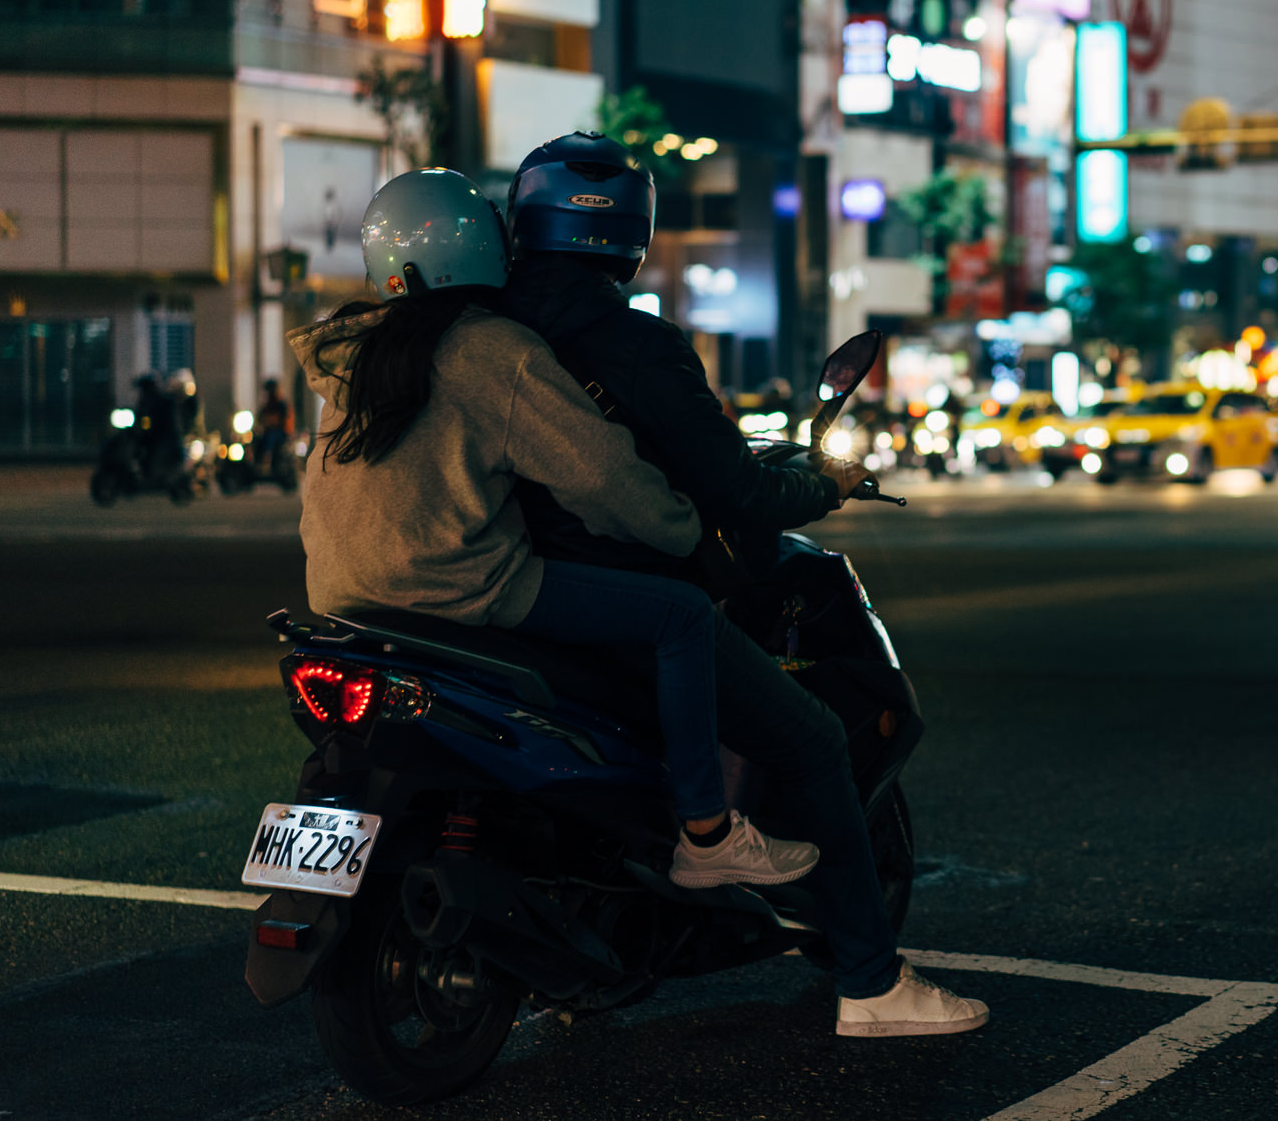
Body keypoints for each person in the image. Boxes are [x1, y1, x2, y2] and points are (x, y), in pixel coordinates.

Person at [501, 132, 988, 1038]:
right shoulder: (639, 345)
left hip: (502, 594)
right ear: (630, 232)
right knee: (809, 737)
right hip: (619, 596)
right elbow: (735, 489)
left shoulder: (484, 332)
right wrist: (826, 482)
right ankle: (872, 983)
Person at [290, 166, 817, 891]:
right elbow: (600, 475)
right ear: (488, 245)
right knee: (684, 616)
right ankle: (707, 832)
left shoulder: (353, 350)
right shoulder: (492, 350)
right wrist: (680, 529)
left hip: (341, 594)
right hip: (457, 588)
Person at [253, 378, 293, 475]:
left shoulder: (282, 405)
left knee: (271, 438)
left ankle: (267, 461)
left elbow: (284, 421)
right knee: (255, 439)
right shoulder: (265, 406)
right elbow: (259, 419)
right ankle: (254, 463)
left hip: (280, 433)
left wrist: (272, 422)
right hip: (267, 432)